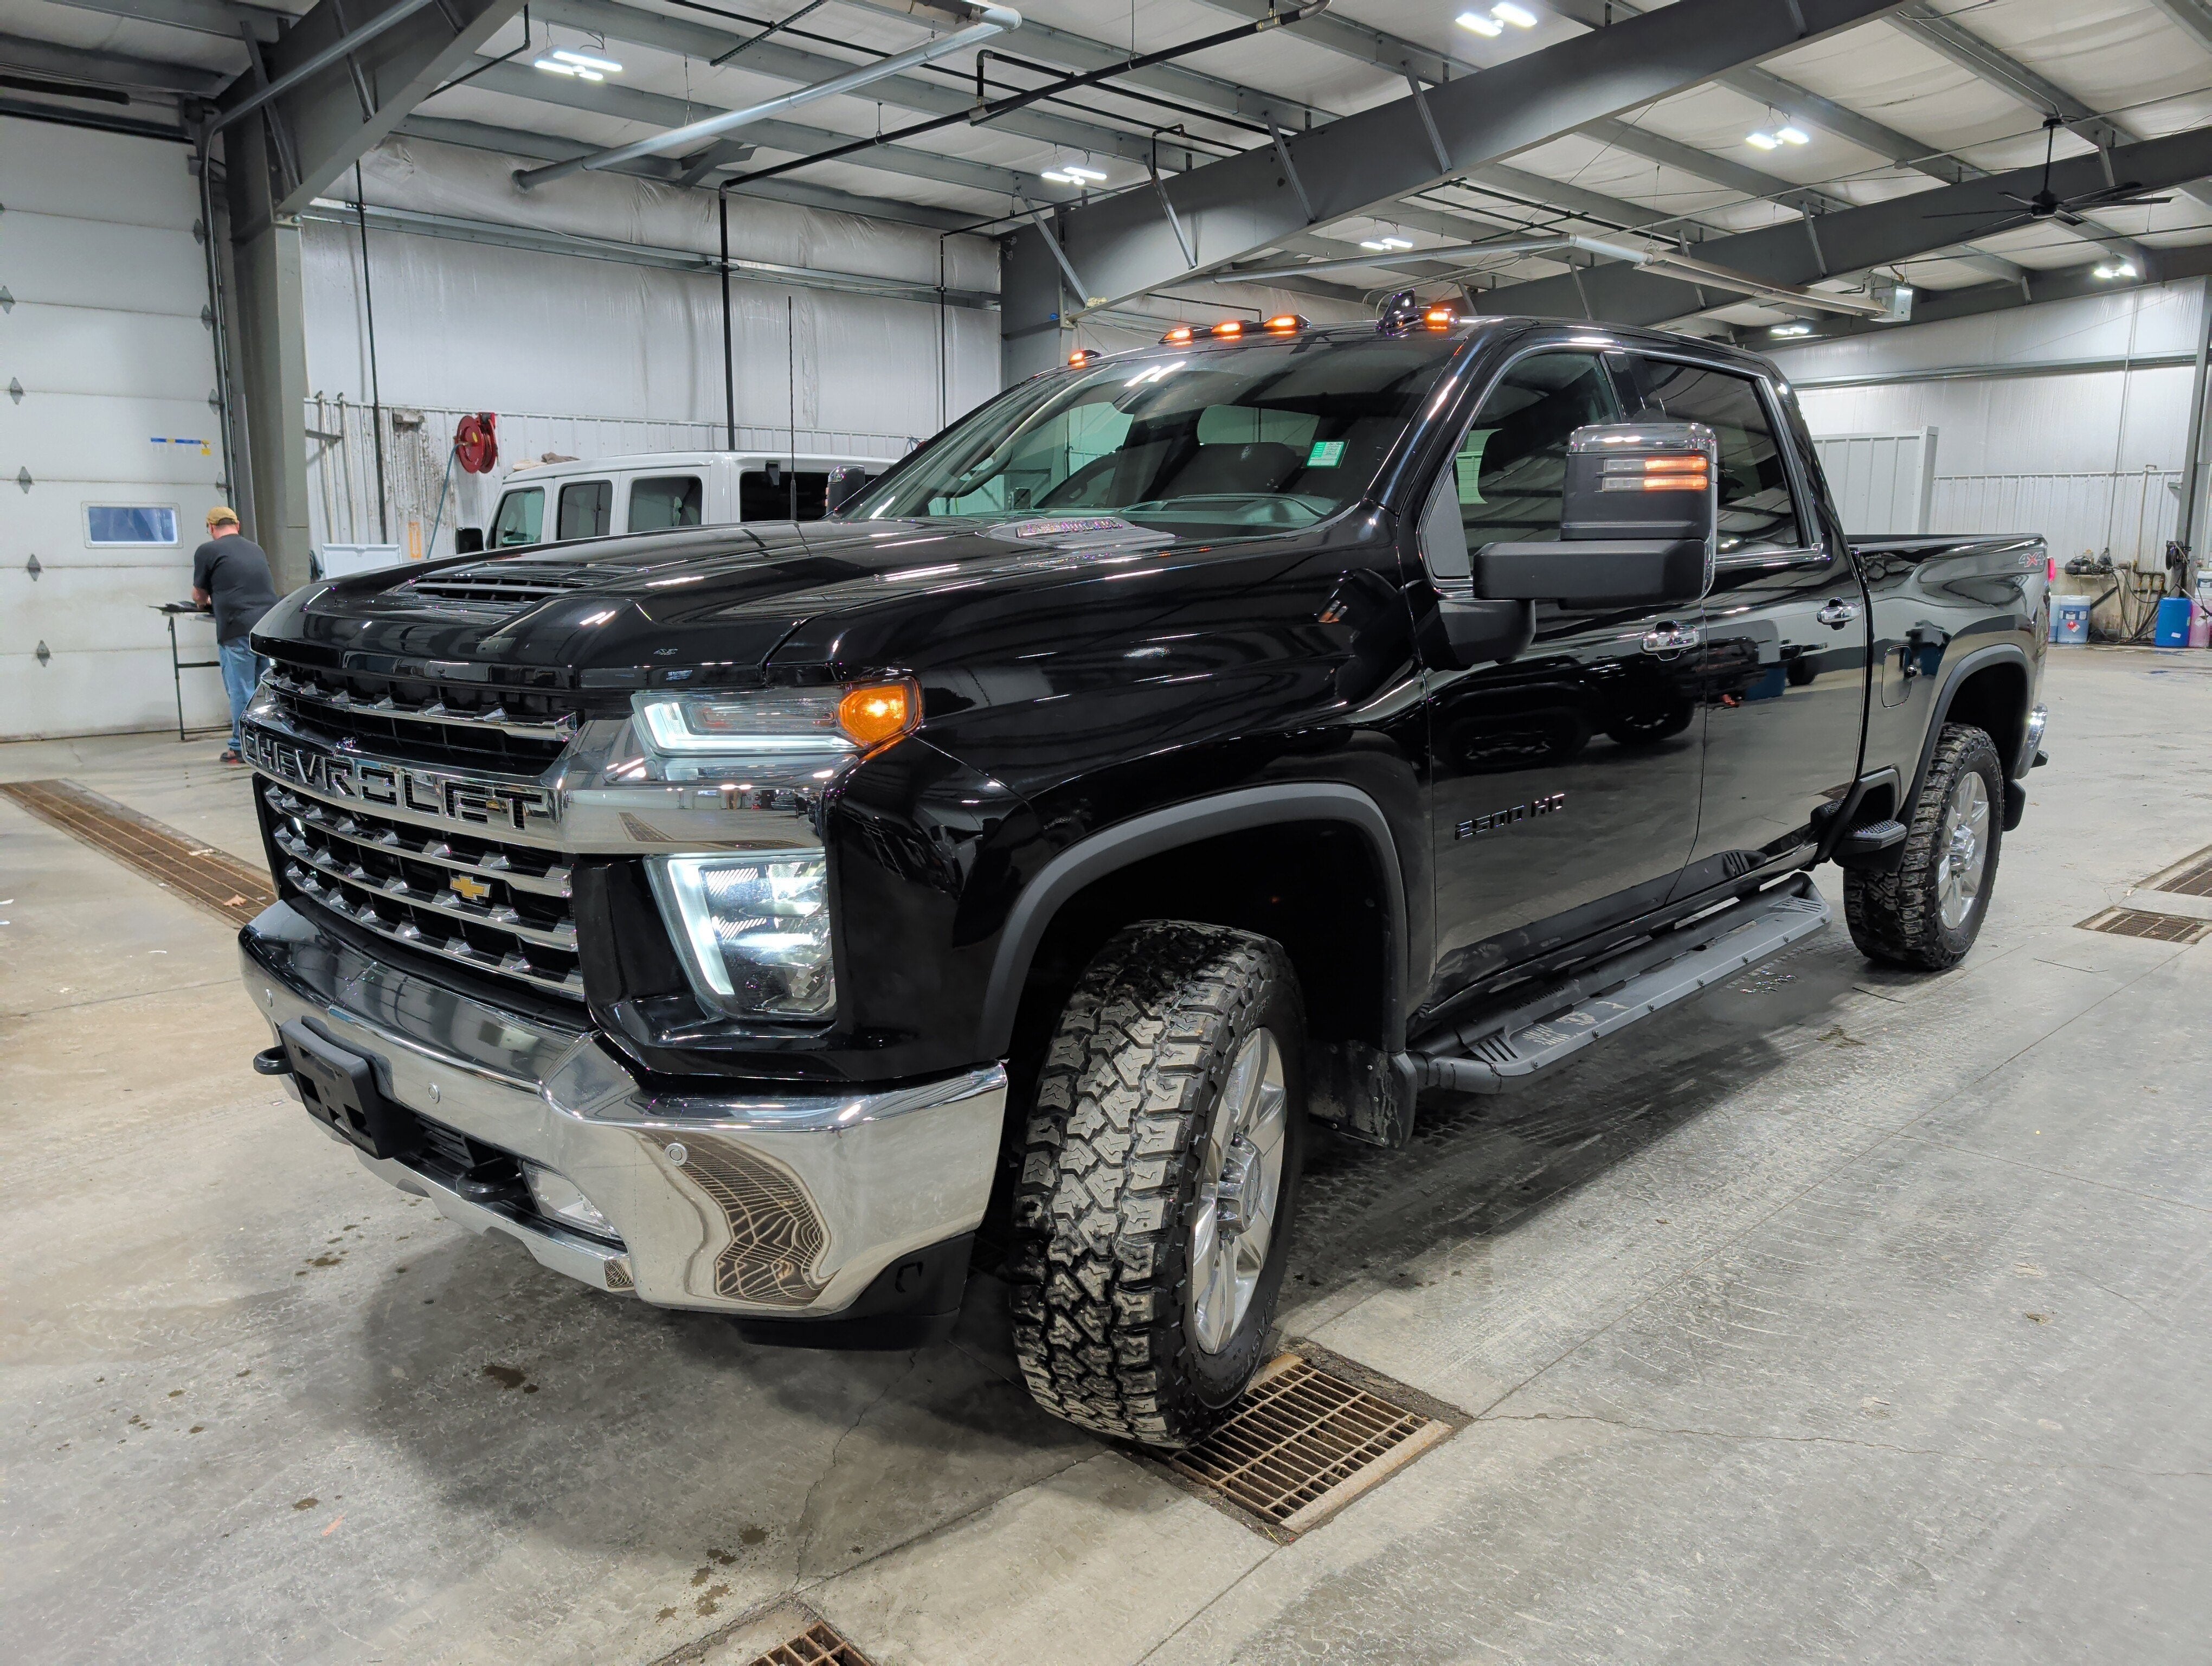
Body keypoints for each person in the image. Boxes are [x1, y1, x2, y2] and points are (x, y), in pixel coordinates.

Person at [191, 507, 280, 765]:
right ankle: (266, 745)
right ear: (238, 525)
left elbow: (199, 595)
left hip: (236, 628)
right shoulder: (256, 549)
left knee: (241, 689)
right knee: (265, 691)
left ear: (211, 527)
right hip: (265, 629)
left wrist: (204, 601)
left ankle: (240, 747)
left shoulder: (207, 551)